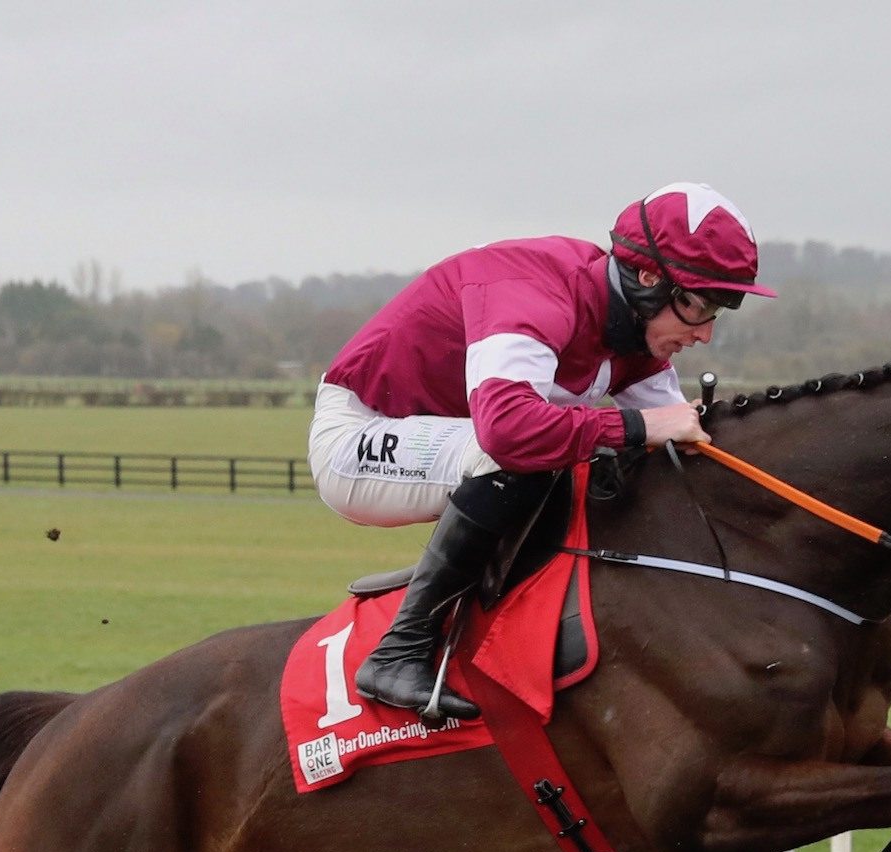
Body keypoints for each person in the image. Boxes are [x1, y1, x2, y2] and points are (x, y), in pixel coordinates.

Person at [308, 182, 777, 721]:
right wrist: (638, 425)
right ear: (649, 279)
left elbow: (677, 446)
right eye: (700, 306)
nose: (706, 334)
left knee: (612, 461)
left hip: (453, 434)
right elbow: (507, 432)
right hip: (361, 435)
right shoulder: (533, 291)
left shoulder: (633, 331)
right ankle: (399, 652)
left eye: (723, 308)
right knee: (523, 454)